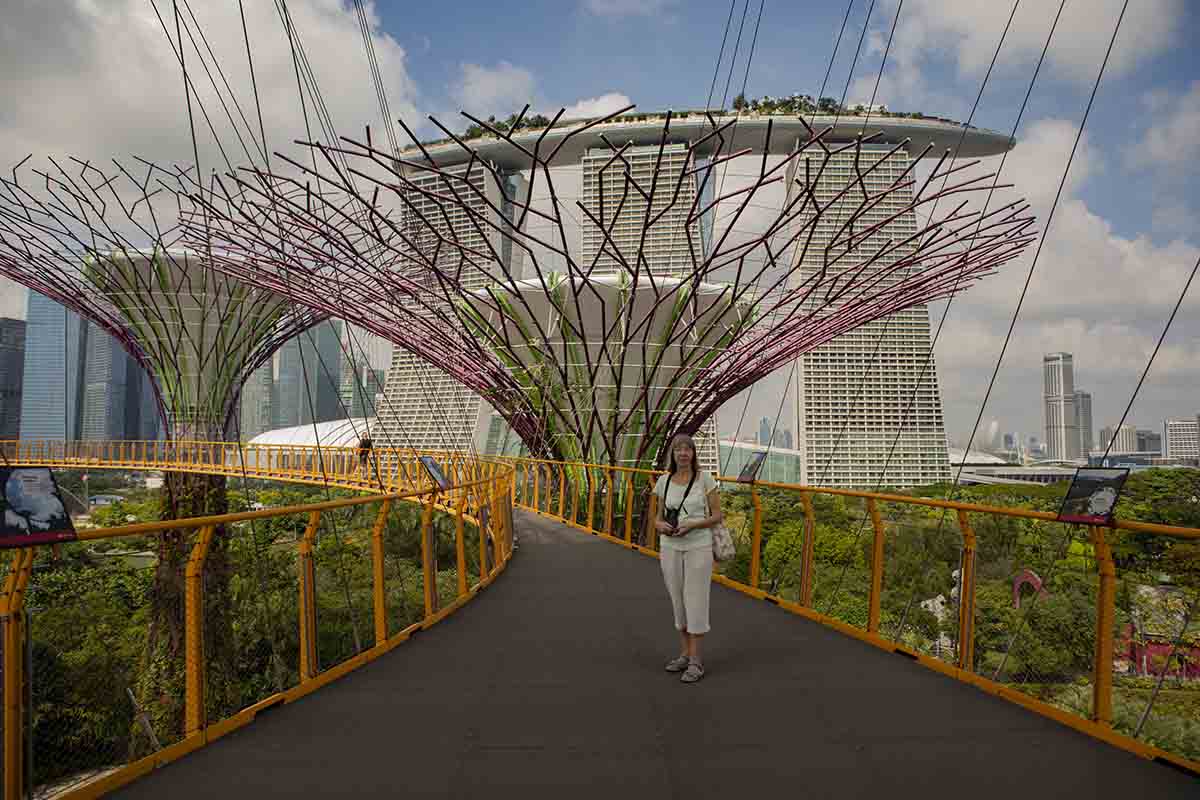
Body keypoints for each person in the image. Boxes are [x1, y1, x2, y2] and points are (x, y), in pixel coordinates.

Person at [653, 433, 723, 683]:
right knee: (678, 602)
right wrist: (660, 526)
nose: (683, 453)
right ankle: (684, 654)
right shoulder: (664, 481)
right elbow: (657, 516)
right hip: (670, 546)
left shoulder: (705, 480)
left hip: (698, 547)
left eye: (687, 449)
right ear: (672, 454)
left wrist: (693, 525)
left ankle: (696, 661)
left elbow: (717, 515)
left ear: (693, 454)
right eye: (678, 450)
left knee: (696, 601)